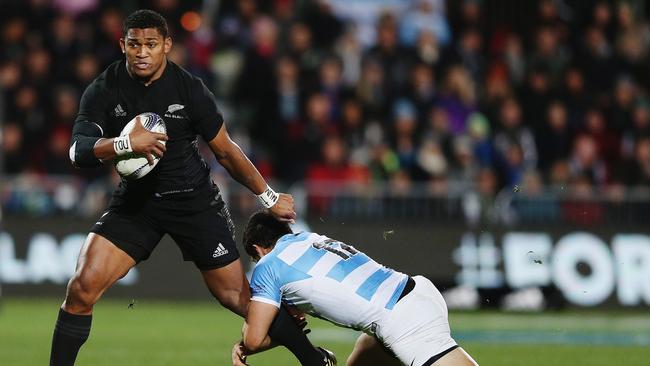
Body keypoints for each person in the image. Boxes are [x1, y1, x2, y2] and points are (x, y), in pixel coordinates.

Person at [51, 9, 333, 366]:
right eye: (134, 44)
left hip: (194, 201)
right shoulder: (104, 89)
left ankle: (314, 360)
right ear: (122, 45)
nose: (141, 52)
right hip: (137, 204)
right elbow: (78, 151)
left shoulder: (189, 89)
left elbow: (226, 152)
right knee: (81, 288)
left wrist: (270, 197)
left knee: (238, 298)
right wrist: (125, 144)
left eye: (150, 44)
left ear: (166, 45)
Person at [232, 211, 479, 366]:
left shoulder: (268, 264)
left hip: (404, 320)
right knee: (361, 358)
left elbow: (254, 338)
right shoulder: (310, 238)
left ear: (257, 250)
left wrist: (242, 347)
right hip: (416, 291)